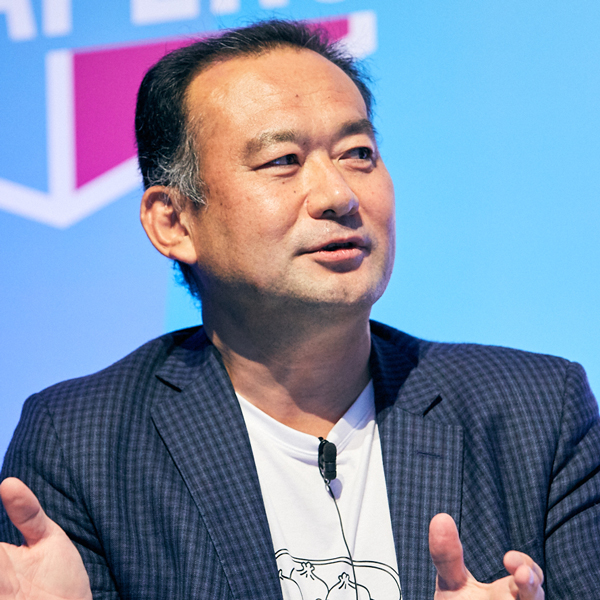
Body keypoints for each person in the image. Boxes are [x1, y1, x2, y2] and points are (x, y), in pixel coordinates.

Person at [0, 19, 598, 600]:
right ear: (174, 222)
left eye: (358, 153)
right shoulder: (81, 446)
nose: (339, 195)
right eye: (283, 160)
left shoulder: (536, 411)